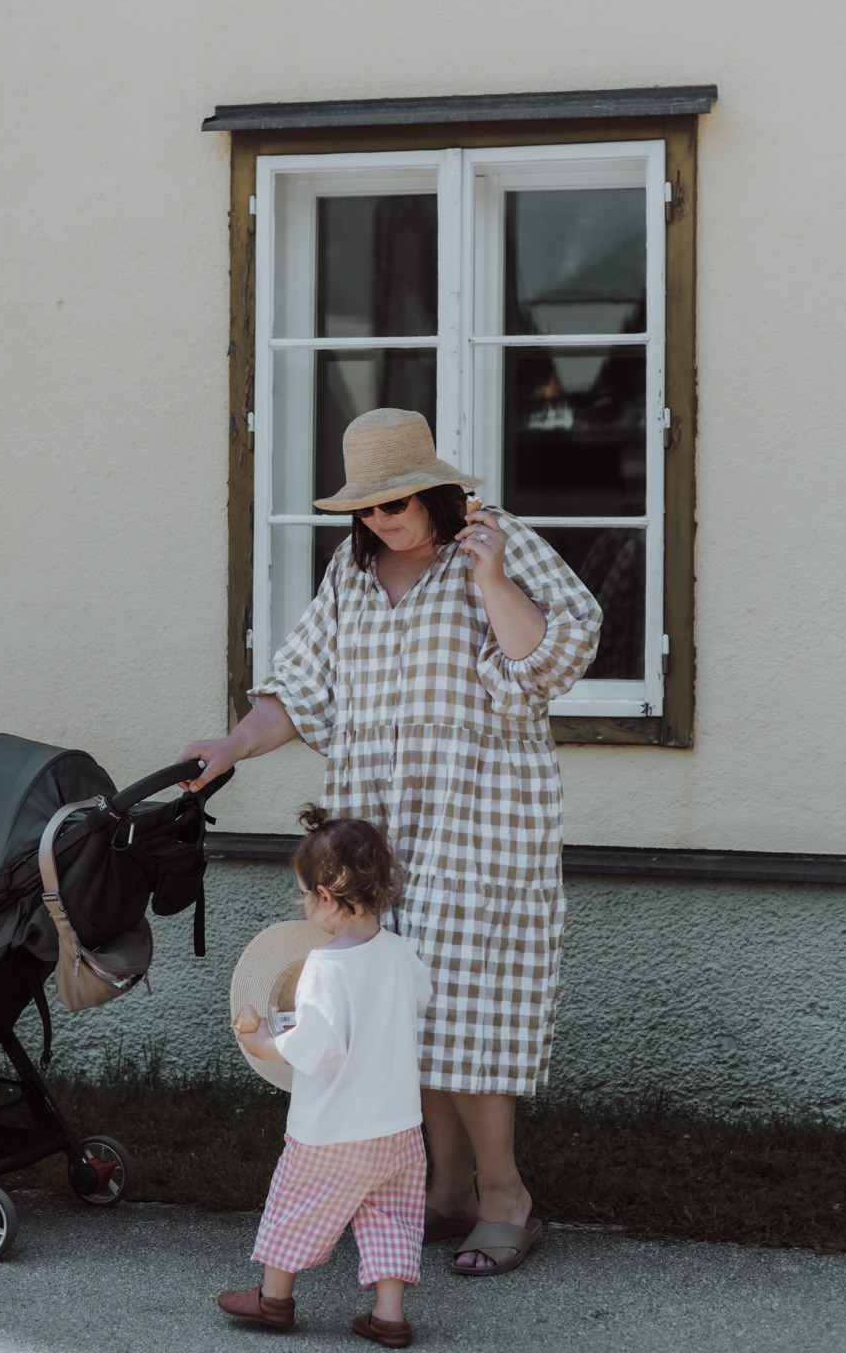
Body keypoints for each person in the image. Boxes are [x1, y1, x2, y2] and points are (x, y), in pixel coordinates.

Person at [182, 408, 601, 1276]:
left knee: (470, 1012)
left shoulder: (496, 541)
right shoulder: (352, 569)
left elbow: (551, 661)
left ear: (434, 491)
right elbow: (298, 689)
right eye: (365, 508)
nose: (381, 519)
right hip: (377, 830)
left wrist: (490, 577)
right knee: (398, 1010)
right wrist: (230, 746)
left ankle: (505, 1198)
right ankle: (445, 1192)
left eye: (396, 502)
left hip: (480, 822)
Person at [220, 807, 432, 1348]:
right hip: (398, 1128)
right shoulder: (399, 952)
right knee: (391, 1216)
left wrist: (261, 1041)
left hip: (331, 1130)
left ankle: (274, 1299)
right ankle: (388, 1314)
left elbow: (314, 1046)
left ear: (325, 896)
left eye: (304, 895)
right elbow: (419, 998)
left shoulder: (323, 966)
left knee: (295, 1204)